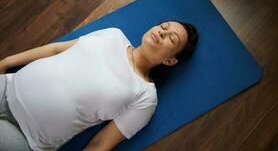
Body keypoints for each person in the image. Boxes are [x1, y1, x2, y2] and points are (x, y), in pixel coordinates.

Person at [0, 20, 198, 151]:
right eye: (164, 26)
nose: (162, 32)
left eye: (172, 38)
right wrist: (6, 62)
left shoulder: (145, 96)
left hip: (25, 136)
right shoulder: (113, 35)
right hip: (7, 86)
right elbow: (55, 49)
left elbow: (100, 144)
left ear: (171, 61)